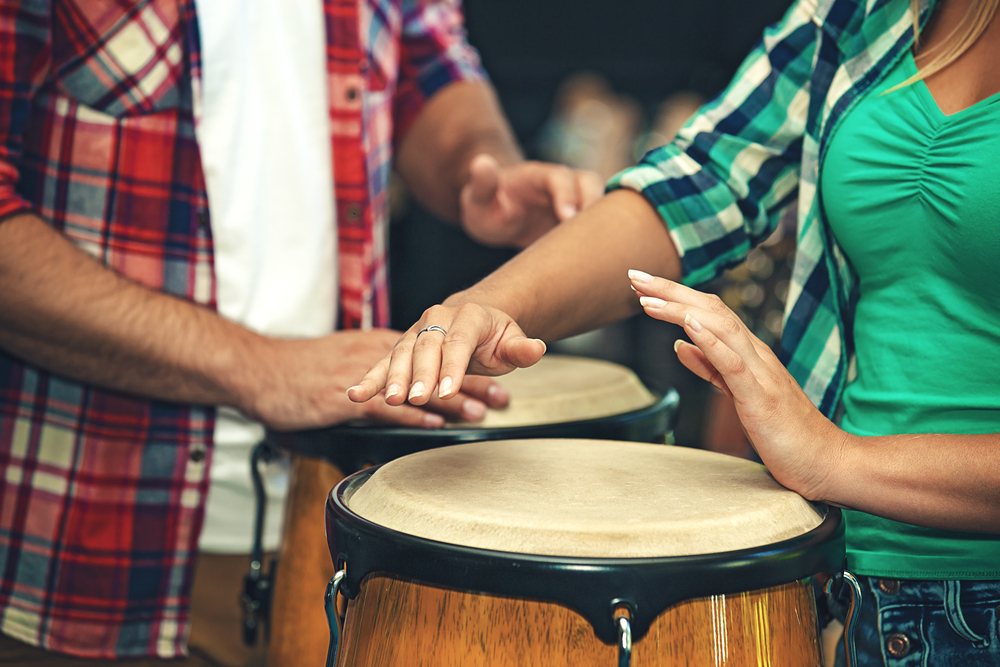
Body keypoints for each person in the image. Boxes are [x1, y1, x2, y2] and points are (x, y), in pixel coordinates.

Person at [349, 0, 1000, 664]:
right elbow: (704, 179)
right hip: (861, 587)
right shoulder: (867, 15)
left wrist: (835, 459)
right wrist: (486, 306)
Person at [0, 0, 602, 663]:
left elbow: (427, 64)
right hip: (88, 532)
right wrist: (261, 366)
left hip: (339, 525)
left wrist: (479, 165)